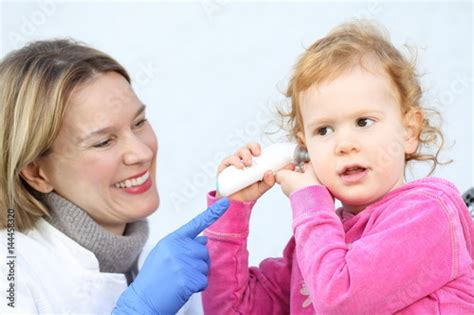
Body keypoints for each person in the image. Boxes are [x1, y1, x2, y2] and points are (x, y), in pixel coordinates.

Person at [201, 21, 474, 314]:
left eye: (364, 122)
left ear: (408, 131)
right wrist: (231, 211)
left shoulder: (429, 213)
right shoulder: (320, 241)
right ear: (304, 149)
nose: (344, 144)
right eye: (324, 131)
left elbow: (341, 303)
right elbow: (231, 309)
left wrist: (310, 204)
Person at [0, 39, 229, 314]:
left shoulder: (163, 269)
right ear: (36, 172)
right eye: (104, 142)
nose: (142, 153)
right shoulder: (11, 271)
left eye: (139, 123)